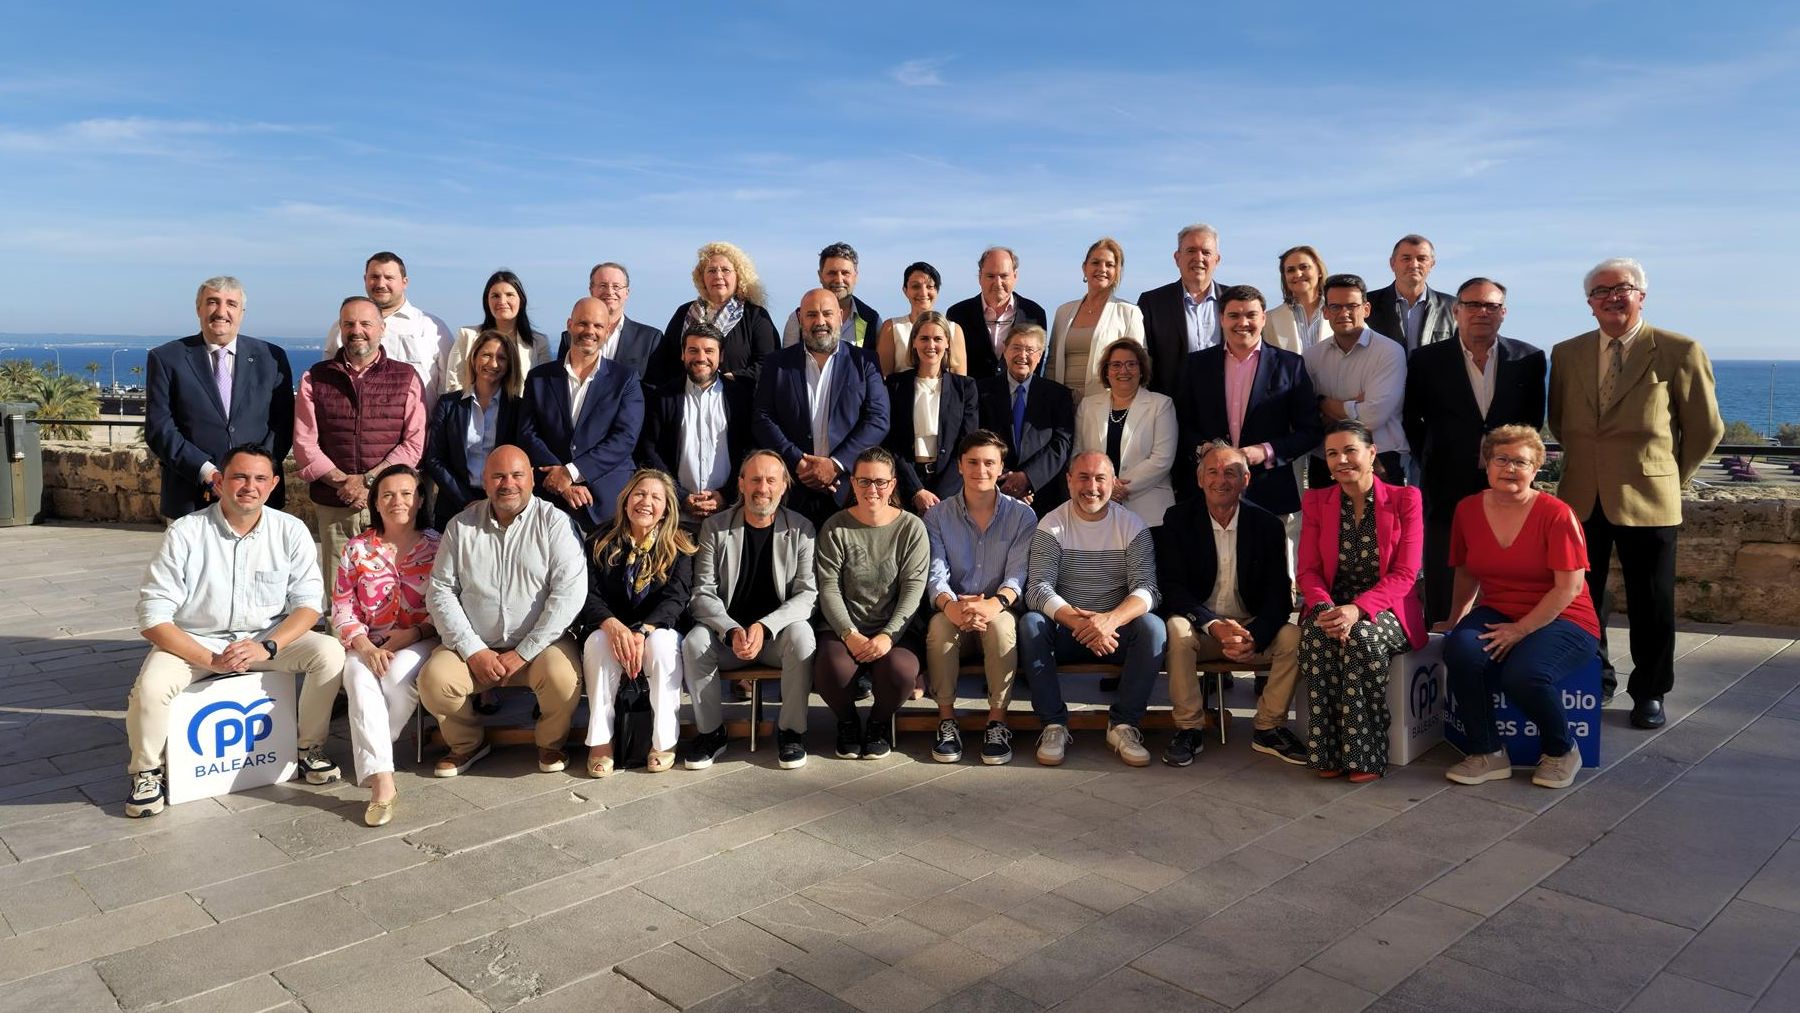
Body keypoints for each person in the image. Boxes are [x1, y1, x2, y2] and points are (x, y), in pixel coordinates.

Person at [1548, 257, 1723, 726]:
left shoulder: (1678, 350)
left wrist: (1668, 474)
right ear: (1589, 304)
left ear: (1641, 295)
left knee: (1652, 601)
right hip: (1582, 496)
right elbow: (1561, 422)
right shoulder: (1566, 353)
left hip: (1650, 497)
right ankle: (1594, 677)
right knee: (1582, 595)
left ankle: (1650, 691)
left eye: (1621, 288)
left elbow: (1706, 429)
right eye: (1600, 292)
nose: (1611, 297)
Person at [125, 445, 345, 817]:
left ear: (274, 484)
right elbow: (153, 615)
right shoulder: (186, 532)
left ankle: (310, 750)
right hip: (197, 642)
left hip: (264, 640)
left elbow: (309, 606)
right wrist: (209, 659)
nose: (249, 486)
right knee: (151, 687)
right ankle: (147, 771)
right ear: (219, 481)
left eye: (260, 478)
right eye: (240, 476)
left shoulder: (290, 530)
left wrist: (268, 647)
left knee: (329, 654)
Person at [1438, 426, 1600, 790]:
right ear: (1487, 462)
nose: (1510, 468)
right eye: (1502, 459)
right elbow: (1465, 572)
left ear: (1537, 468)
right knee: (1461, 651)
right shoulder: (1467, 510)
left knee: (1523, 674)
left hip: (1566, 617)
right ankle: (1487, 752)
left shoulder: (1557, 514)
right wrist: (1456, 618)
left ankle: (1562, 750)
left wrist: (1521, 629)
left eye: (1521, 462)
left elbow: (1569, 588)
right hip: (1499, 609)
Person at [420, 445, 585, 777]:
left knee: (563, 678)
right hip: (476, 647)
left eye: (516, 475)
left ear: (532, 481)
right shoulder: (460, 526)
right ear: (484, 481)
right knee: (434, 680)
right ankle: (467, 744)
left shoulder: (555, 524)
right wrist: (473, 650)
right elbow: (440, 592)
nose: (507, 483)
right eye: (498, 476)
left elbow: (569, 594)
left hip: (539, 647)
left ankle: (551, 743)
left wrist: (523, 653)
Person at [1403, 278, 1546, 626]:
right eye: (1472, 305)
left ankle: (1504, 638)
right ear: (1456, 311)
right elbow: (1411, 418)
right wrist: (1432, 457)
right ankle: (1440, 642)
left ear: (1503, 313)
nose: (1482, 312)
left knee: (1509, 565)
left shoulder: (1528, 358)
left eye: (1491, 306)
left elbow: (1532, 421)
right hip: (1445, 480)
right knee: (1443, 568)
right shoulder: (1426, 360)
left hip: (1509, 484)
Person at [1157, 442, 1305, 767]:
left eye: (1231, 473)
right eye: (1213, 472)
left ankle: (1269, 726)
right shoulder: (1178, 519)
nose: (1221, 480)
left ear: (1246, 480)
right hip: (1203, 629)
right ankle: (1189, 728)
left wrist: (1257, 637)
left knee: (1294, 637)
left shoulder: (1267, 526)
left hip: (1250, 628)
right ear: (1199, 479)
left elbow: (1281, 596)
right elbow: (1172, 588)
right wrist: (1214, 625)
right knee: (1176, 629)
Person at [1296, 420, 1426, 782]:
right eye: (1332, 454)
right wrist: (1325, 609)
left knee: (1362, 638)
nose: (1341, 460)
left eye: (1349, 450)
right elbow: (1307, 571)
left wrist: (1358, 610)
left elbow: (1405, 573)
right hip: (1331, 607)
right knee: (1315, 637)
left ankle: (1365, 753)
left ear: (1371, 453)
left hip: (1387, 608)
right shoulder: (1317, 501)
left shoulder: (1405, 500)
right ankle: (1325, 751)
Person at [1020, 451, 1167, 768]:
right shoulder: (1052, 524)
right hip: (1068, 634)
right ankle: (1053, 724)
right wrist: (1079, 623)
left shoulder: (1132, 525)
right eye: (1083, 477)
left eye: (1100, 478)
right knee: (1031, 623)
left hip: (1114, 635)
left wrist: (1109, 621)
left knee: (1154, 627)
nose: (1092, 486)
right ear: (1069, 481)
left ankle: (1124, 725)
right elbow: (1037, 588)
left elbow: (1148, 589)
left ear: (1113, 484)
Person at [681, 450, 819, 770]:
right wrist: (730, 629)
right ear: (741, 484)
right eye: (755, 479)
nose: (763, 488)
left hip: (775, 638)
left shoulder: (801, 529)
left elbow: (806, 596)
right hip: (728, 636)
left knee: (803, 637)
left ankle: (791, 732)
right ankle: (711, 733)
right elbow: (702, 593)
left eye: (772, 480)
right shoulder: (715, 528)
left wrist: (764, 627)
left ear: (784, 486)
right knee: (694, 643)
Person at [293, 296, 427, 620]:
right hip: (336, 504)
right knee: (340, 598)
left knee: (395, 594)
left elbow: (414, 443)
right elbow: (304, 443)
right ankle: (341, 665)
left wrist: (369, 482)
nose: (358, 331)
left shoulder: (406, 377)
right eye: (349, 324)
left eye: (366, 323)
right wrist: (345, 483)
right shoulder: (315, 378)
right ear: (340, 329)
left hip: (393, 509)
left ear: (381, 329)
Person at [331, 464, 438, 826]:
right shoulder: (356, 548)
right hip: (366, 641)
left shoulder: (438, 546)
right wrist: (364, 646)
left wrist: (413, 634)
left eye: (406, 493)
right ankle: (382, 783)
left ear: (420, 498)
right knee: (358, 677)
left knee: (395, 677)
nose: (398, 501)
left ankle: (373, 746)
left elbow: (446, 604)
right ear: (375, 503)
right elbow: (342, 605)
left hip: (419, 638)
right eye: (388, 494)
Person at [922, 430, 1038, 765]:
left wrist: (993, 604)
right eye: (972, 462)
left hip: (998, 608)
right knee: (940, 628)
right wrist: (951, 606)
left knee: (1002, 629)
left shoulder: (1022, 516)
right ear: (959, 465)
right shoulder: (937, 516)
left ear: (1002, 467)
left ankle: (997, 722)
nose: (981, 470)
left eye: (989, 462)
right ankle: (946, 720)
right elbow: (935, 574)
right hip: (953, 608)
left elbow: (1018, 575)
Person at [813, 447, 931, 760]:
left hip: (895, 629)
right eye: (864, 482)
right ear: (852, 483)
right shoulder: (836, 527)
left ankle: (879, 723)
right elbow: (828, 588)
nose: (872, 490)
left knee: (900, 672)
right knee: (831, 669)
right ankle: (848, 722)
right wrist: (848, 633)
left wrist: (888, 635)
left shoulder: (911, 528)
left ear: (893, 484)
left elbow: (913, 590)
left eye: (880, 482)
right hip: (844, 626)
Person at [577, 470, 696, 776]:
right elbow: (587, 594)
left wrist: (644, 630)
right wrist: (612, 625)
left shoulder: (681, 544)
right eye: (640, 494)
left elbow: (677, 597)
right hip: (610, 626)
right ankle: (602, 741)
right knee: (599, 644)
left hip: (659, 629)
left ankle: (664, 741)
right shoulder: (599, 540)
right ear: (626, 500)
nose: (646, 502)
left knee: (661, 647)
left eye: (656, 497)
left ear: (667, 507)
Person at [145, 276, 295, 520]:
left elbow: (283, 423)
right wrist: (208, 473)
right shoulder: (166, 358)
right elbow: (160, 428)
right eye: (212, 302)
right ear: (198, 308)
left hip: (257, 496)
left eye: (231, 304)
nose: (221, 312)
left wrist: (253, 475)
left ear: (242, 312)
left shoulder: (271, 358)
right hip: (191, 496)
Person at [1174, 285, 1320, 515]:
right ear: (1221, 319)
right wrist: (1203, 449)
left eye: (1251, 315)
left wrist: (1265, 451)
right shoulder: (1196, 365)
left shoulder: (1290, 365)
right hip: (1207, 494)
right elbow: (1181, 423)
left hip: (1268, 493)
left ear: (1263, 318)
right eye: (1234, 315)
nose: (1243, 323)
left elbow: (1310, 431)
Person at [751, 288, 890, 529]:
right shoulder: (777, 363)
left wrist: (835, 464)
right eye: (811, 315)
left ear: (840, 315)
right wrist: (799, 462)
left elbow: (878, 419)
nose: (820, 322)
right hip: (792, 489)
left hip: (847, 490)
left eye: (827, 313)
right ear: (800, 318)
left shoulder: (865, 361)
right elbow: (762, 417)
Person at [519, 297, 646, 533]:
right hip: (549, 498)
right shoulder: (539, 378)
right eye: (583, 324)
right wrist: (561, 481)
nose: (590, 331)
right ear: (569, 325)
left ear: (607, 331)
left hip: (606, 503)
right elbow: (528, 433)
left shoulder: (625, 379)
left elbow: (624, 439)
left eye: (598, 326)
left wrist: (571, 472)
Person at [636, 321, 755, 529]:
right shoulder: (663, 397)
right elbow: (650, 450)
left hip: (731, 515)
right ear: (683, 354)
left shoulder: (741, 397)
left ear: (721, 356)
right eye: (693, 350)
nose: (701, 357)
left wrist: (726, 494)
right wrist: (680, 496)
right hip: (676, 518)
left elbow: (750, 451)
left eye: (709, 351)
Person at [1302, 273, 1408, 488]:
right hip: (1326, 462)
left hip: (1378, 461)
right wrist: (1355, 403)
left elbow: (1372, 416)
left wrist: (1324, 404)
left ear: (1366, 309)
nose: (1344, 313)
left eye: (1352, 306)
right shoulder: (1311, 357)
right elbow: (1305, 415)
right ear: (1325, 312)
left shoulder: (1389, 352)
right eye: (1335, 307)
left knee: (1374, 523)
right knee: (1327, 522)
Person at [422, 330, 525, 531]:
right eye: (486, 355)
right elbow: (435, 459)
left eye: (501, 358)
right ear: (474, 357)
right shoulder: (449, 405)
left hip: (504, 505)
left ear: (510, 364)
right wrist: (465, 501)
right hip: (455, 505)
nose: (493, 363)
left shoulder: (518, 409)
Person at [324, 251, 453, 408]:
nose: (380, 284)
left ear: (405, 282)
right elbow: (327, 382)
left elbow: (449, 386)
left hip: (421, 429)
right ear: (365, 280)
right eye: (374, 277)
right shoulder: (342, 328)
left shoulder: (432, 327)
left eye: (389, 278)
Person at [883, 311, 980, 513]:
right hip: (905, 484)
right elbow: (892, 442)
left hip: (949, 487)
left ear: (947, 344)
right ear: (914, 343)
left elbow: (966, 443)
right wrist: (917, 490)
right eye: (924, 338)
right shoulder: (895, 386)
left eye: (937, 339)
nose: (931, 345)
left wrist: (940, 496)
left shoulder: (965, 387)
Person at [1073, 338, 1176, 527]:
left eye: (1131, 364)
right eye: (1116, 365)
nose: (1124, 371)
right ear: (1106, 370)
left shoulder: (1161, 405)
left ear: (1141, 369)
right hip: (1097, 507)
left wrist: (1117, 488)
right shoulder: (1088, 405)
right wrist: (1102, 489)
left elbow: (1162, 458)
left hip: (1149, 509)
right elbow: (1078, 454)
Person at [647, 242, 780, 386]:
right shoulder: (684, 312)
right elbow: (667, 360)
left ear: (739, 276)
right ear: (702, 277)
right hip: (686, 399)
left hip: (738, 401)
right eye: (711, 270)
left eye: (725, 270)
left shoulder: (755, 316)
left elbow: (770, 364)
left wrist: (729, 379)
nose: (718, 275)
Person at [975, 323, 1075, 516]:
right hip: (994, 491)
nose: (1022, 355)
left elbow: (1062, 443)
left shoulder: (1058, 395)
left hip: (1043, 495)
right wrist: (1006, 480)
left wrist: (1028, 478)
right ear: (1005, 350)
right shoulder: (981, 391)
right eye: (1016, 348)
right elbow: (978, 438)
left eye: (1030, 350)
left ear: (1040, 356)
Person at [1048, 237, 1147, 402]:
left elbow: (1139, 367)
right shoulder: (1063, 312)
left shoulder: (1129, 313)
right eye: (1095, 263)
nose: (1102, 269)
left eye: (1109, 265)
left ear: (1117, 272)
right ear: (1084, 268)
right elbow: (1051, 364)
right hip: (1061, 406)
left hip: (1104, 406)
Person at [1140, 223, 1231, 396]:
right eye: (1191, 250)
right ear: (1177, 258)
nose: (1199, 258)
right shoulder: (1152, 303)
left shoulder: (1235, 300)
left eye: (1206, 252)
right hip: (1170, 407)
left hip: (1225, 404)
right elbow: (1142, 361)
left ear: (1216, 260)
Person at [442, 270, 551, 397]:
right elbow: (453, 384)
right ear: (487, 302)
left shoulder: (539, 342)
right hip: (474, 413)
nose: (502, 301)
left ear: (521, 300)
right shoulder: (468, 336)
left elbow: (544, 390)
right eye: (495, 296)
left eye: (509, 295)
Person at [945, 247, 1050, 380]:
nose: (998, 283)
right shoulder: (958, 314)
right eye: (991, 276)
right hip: (971, 397)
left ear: (1015, 276)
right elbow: (952, 365)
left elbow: (1037, 364)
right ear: (980, 277)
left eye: (1004, 276)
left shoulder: (1034, 314)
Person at [553, 262, 663, 378]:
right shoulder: (570, 337)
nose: (610, 292)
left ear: (627, 293)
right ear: (591, 290)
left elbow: (655, 389)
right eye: (603, 286)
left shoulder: (650, 339)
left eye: (616, 286)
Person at [780, 242, 883, 354]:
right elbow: (787, 364)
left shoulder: (872, 320)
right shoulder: (797, 319)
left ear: (855, 276)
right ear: (820, 276)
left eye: (845, 273)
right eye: (832, 273)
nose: (839, 280)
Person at [1365, 234, 1458, 355]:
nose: (1414, 264)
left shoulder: (1453, 307)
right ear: (1392, 263)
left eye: (1422, 259)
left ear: (1432, 264)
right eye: (1406, 258)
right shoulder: (1367, 305)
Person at [876, 261, 969, 376]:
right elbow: (883, 376)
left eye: (929, 286)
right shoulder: (892, 328)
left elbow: (960, 378)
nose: (923, 292)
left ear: (937, 290)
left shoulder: (954, 330)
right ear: (905, 290)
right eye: (916, 286)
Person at [1261, 245, 1328, 354]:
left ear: (1319, 271)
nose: (1297, 274)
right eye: (1290, 270)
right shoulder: (1269, 320)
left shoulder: (1339, 313)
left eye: (1304, 267)